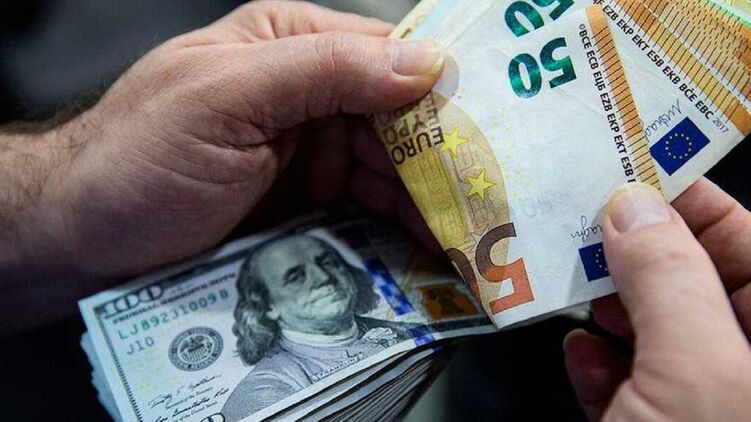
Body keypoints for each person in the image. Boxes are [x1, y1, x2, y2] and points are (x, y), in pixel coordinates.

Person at [0, 1, 749, 420]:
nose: (327, 274)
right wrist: (55, 198)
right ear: (262, 310)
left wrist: (52, 208)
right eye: (299, 277)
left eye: (317, 263)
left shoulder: (382, 323)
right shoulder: (266, 394)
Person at [222, 234, 416, 420]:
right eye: (296, 277)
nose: (323, 277)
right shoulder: (262, 392)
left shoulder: (409, 331)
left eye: (328, 263)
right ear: (268, 306)